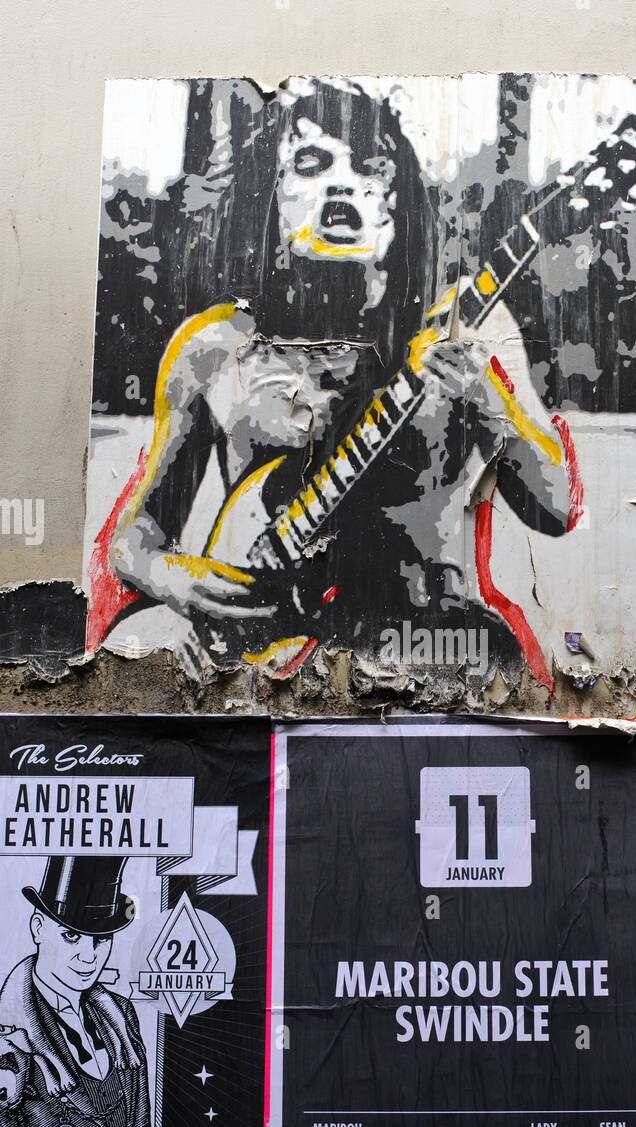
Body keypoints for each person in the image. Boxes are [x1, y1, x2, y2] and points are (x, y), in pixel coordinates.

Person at [106, 79, 574, 682]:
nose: (343, 185)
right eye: (310, 163)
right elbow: (137, 539)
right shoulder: (214, 350)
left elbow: (555, 509)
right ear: (272, 196)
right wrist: (177, 581)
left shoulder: (465, 322)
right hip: (260, 674)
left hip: (426, 658)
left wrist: (486, 398)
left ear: (393, 202)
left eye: (370, 168)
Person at [0, 856, 151, 1127]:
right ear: (38, 928)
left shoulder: (120, 1014)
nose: (88, 956)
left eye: (101, 938)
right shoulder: (6, 1031)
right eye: (71, 935)